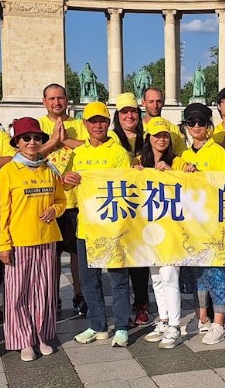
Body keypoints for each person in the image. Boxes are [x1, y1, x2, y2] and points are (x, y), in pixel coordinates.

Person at [0, 117, 67, 362]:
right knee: (18, 294)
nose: (32, 142)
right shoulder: (8, 171)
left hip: (47, 239)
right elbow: (2, 210)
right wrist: (3, 244)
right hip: (19, 241)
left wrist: (54, 211)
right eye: (26, 138)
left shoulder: (49, 169)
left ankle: (42, 335)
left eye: (37, 138)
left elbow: (61, 200)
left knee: (44, 292)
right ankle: (23, 339)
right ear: (17, 142)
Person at [65, 102, 133, 348]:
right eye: (92, 121)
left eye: (102, 120)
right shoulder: (78, 154)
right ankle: (97, 325)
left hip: (113, 227)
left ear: (108, 123)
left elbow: (127, 187)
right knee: (89, 279)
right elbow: (66, 185)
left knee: (118, 279)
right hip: (86, 226)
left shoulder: (118, 153)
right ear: (85, 124)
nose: (97, 125)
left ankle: (123, 326)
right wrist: (68, 179)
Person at [178, 102, 225, 345]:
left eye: (201, 122)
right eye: (192, 122)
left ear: (209, 126)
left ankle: (219, 322)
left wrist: (200, 174)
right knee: (197, 272)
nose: (196, 126)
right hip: (191, 224)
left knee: (217, 272)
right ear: (186, 126)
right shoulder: (184, 156)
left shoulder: (218, 152)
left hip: (213, 223)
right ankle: (203, 317)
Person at [37, 84, 87, 316]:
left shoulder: (80, 125)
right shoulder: (37, 126)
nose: (57, 102)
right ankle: (52, 296)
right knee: (51, 254)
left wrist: (66, 141)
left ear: (67, 100)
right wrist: (53, 142)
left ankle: (79, 295)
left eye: (61, 98)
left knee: (77, 253)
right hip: (47, 201)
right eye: (52, 98)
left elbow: (91, 150)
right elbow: (26, 157)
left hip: (77, 200)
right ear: (44, 101)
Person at [137, 117, 186, 350]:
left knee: (169, 276)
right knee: (156, 277)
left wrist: (172, 174)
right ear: (149, 138)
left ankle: (175, 325)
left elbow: (191, 186)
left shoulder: (178, 162)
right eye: (156, 135)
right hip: (148, 229)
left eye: (165, 135)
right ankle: (164, 319)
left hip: (171, 229)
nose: (161, 139)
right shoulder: (139, 161)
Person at [109, 92, 150, 325]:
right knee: (121, 258)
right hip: (121, 205)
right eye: (124, 112)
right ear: (118, 115)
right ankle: (122, 309)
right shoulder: (111, 139)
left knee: (141, 259)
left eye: (133, 111)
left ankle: (142, 304)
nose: (129, 116)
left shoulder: (148, 137)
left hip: (144, 207)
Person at [141, 86, 186, 157]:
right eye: (151, 102)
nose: (155, 106)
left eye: (158, 101)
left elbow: (183, 156)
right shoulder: (136, 128)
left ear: (163, 103)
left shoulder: (173, 129)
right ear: (143, 103)